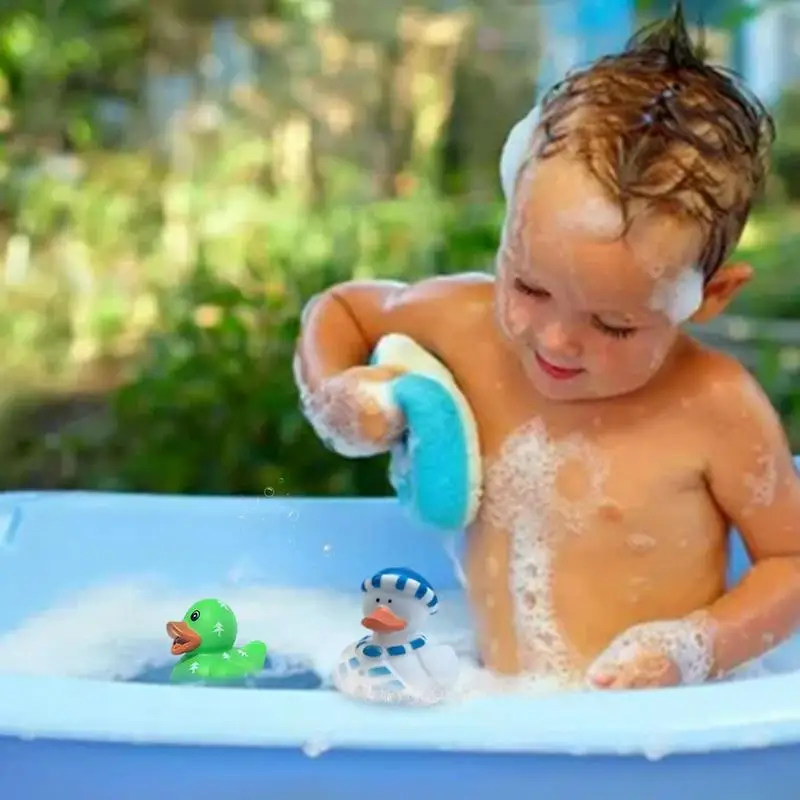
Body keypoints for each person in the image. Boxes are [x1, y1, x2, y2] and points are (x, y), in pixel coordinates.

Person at [293, 4, 800, 689]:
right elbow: (344, 310)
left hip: (647, 732)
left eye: (614, 325)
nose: (557, 338)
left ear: (708, 297)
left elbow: (790, 562)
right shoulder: (467, 324)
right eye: (529, 287)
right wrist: (340, 394)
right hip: (492, 703)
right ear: (509, 230)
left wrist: (696, 648)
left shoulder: (715, 409)